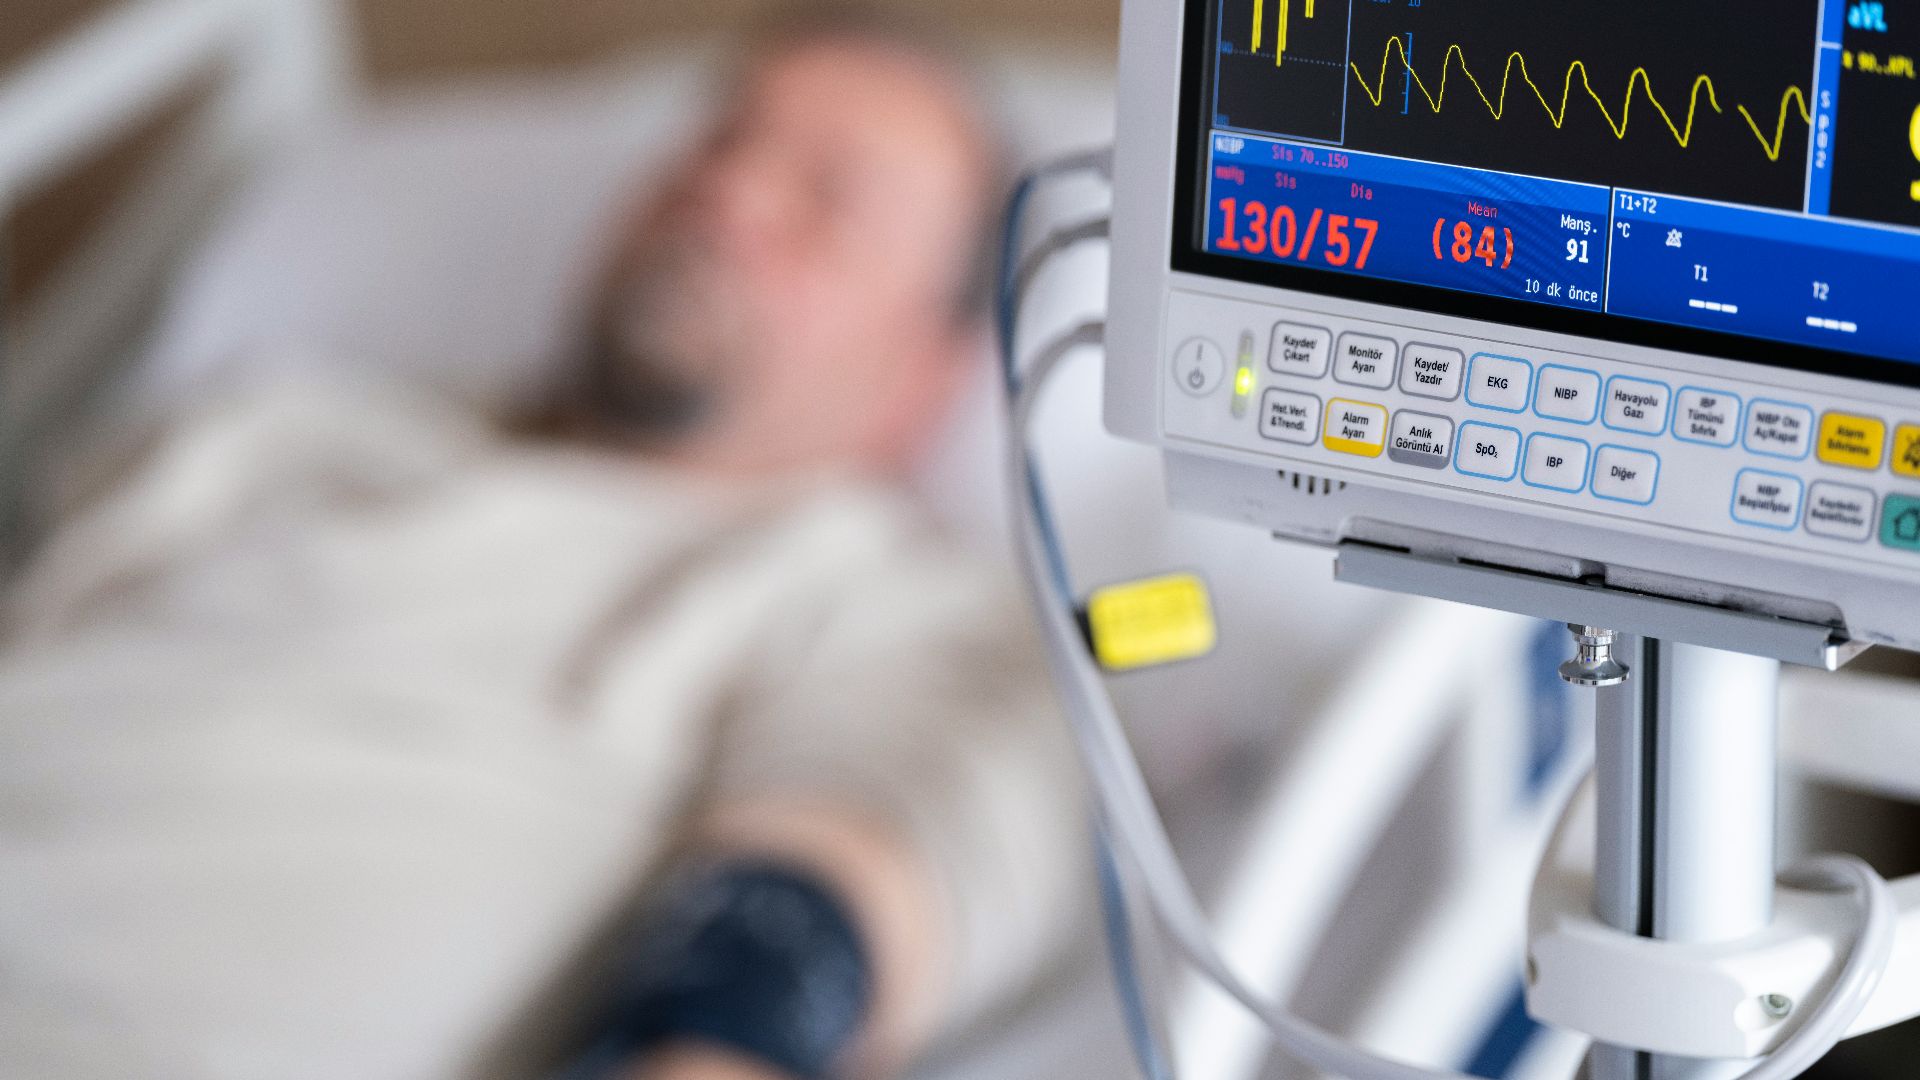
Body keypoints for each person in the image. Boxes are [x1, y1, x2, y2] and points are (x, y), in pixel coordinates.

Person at [0, 9, 1084, 1080]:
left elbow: (844, 898)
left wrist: (719, 1032)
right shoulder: (274, 428)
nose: (730, 188)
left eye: (826, 201)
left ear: (932, 368)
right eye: (719, 138)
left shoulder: (873, 597)